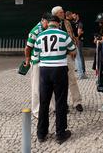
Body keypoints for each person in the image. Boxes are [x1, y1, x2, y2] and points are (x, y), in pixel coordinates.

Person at [34, 14, 76, 144]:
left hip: (45, 71)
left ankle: (41, 133)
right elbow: (73, 50)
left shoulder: (40, 36)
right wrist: (64, 52)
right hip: (60, 70)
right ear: (58, 23)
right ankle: (60, 133)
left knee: (44, 102)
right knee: (60, 101)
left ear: (49, 23)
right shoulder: (63, 35)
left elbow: (36, 57)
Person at [52, 6, 83, 112]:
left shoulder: (67, 23)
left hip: (68, 55)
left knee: (72, 79)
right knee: (58, 82)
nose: (63, 13)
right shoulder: (51, 25)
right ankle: (61, 104)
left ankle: (77, 102)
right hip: (56, 57)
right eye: (61, 12)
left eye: (63, 12)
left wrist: (74, 48)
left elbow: (73, 36)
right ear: (56, 14)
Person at [24, 13, 49, 117]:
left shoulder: (47, 29)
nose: (48, 25)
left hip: (46, 61)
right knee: (36, 86)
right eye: (47, 22)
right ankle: (36, 110)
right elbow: (28, 47)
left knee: (48, 85)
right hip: (37, 61)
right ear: (43, 20)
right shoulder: (35, 31)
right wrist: (27, 59)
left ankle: (51, 107)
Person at [73, 12, 86, 79]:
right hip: (76, 40)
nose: (73, 17)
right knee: (78, 56)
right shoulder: (74, 23)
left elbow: (79, 33)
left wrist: (76, 38)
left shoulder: (80, 23)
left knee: (80, 55)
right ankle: (79, 68)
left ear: (77, 15)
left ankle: (83, 70)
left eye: (74, 16)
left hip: (79, 41)